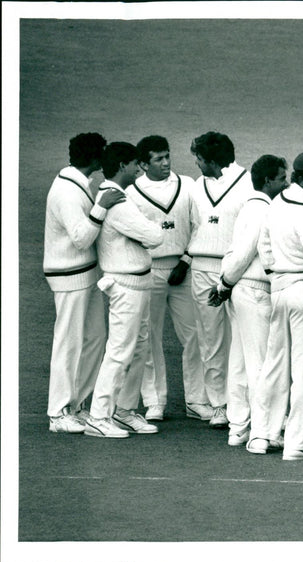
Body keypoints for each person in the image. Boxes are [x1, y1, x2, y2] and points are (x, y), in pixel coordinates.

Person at [43, 133, 125, 432]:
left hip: (86, 274)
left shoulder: (80, 184)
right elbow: (80, 238)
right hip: (68, 276)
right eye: (102, 154)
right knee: (68, 342)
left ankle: (75, 405)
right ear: (93, 158)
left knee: (94, 339)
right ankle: (58, 413)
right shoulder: (66, 191)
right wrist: (102, 207)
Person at [255, 151, 303, 460]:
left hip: (279, 289)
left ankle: (262, 435)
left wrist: (276, 275)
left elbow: (264, 247)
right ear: (301, 178)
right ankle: (296, 443)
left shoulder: (275, 204)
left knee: (274, 365)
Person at [126, 135, 209, 422]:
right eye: (158, 159)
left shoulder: (187, 184)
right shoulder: (133, 192)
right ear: (142, 164)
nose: (165, 163)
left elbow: (199, 225)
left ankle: (197, 400)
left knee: (195, 335)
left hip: (183, 269)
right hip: (149, 272)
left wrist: (185, 261)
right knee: (149, 337)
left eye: (167, 156)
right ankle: (154, 401)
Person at [84, 142, 164, 438]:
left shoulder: (120, 196)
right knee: (120, 351)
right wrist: (148, 232)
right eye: (134, 164)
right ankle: (98, 416)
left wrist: (143, 234)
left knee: (138, 349)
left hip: (140, 283)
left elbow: (146, 234)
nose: (140, 168)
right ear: (121, 167)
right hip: (126, 286)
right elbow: (154, 236)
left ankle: (124, 410)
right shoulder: (114, 200)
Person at [208, 154, 288, 449]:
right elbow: (242, 254)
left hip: (241, 289)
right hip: (252, 291)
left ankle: (238, 428)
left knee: (241, 361)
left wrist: (224, 284)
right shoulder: (261, 210)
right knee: (261, 364)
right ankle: (261, 432)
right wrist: (225, 283)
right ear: (268, 180)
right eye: (282, 177)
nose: (287, 182)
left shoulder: (252, 206)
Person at [187, 132, 255, 428]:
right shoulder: (196, 186)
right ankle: (219, 404)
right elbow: (191, 228)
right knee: (210, 338)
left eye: (199, 160)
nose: (197, 164)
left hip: (237, 271)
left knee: (244, 338)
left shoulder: (249, 184)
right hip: (201, 268)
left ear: (212, 160)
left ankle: (249, 404)